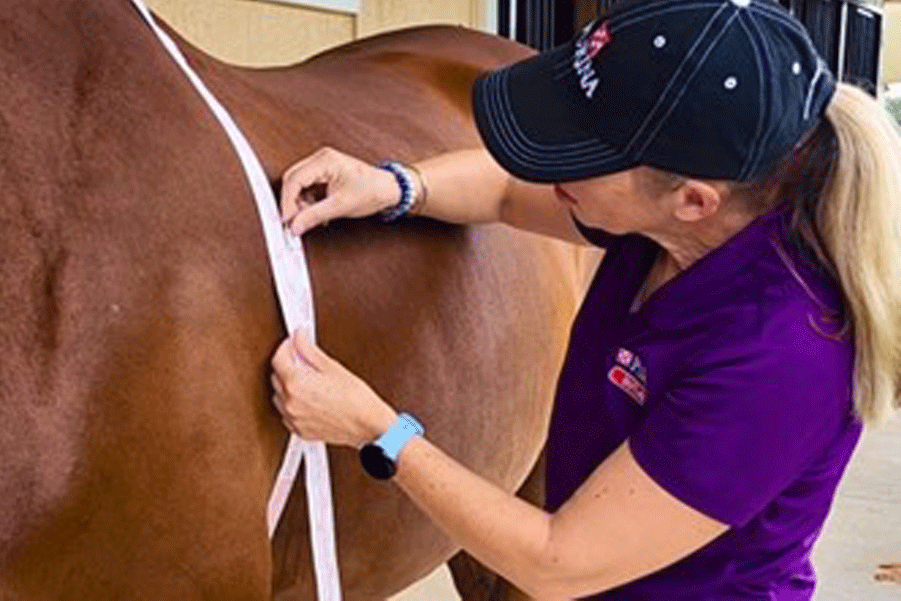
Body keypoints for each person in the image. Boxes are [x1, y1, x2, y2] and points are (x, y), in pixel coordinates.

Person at [269, 0, 901, 598]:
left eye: (577, 156)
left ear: (692, 201)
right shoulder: (672, 228)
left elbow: (556, 563)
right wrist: (394, 185)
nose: (552, 169)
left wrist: (376, 428)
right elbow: (508, 192)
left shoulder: (780, 356)